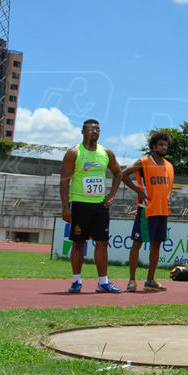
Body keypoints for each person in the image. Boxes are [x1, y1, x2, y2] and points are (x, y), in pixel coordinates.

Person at [59, 119, 125, 293]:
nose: (94, 132)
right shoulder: (74, 153)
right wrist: (66, 207)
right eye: (90, 129)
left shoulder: (106, 153)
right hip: (80, 204)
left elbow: (118, 173)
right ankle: (76, 281)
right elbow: (64, 181)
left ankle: (103, 282)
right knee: (78, 243)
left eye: (97, 129)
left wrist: (111, 195)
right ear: (82, 132)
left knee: (102, 243)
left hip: (100, 205)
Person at [119, 131, 175, 292]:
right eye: (160, 145)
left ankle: (150, 280)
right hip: (146, 210)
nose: (163, 147)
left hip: (162, 211)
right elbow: (123, 174)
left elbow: (168, 186)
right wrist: (137, 190)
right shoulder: (144, 162)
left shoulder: (169, 166)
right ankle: (131, 280)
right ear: (153, 146)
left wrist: (168, 195)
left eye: (165, 145)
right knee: (137, 243)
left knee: (157, 245)